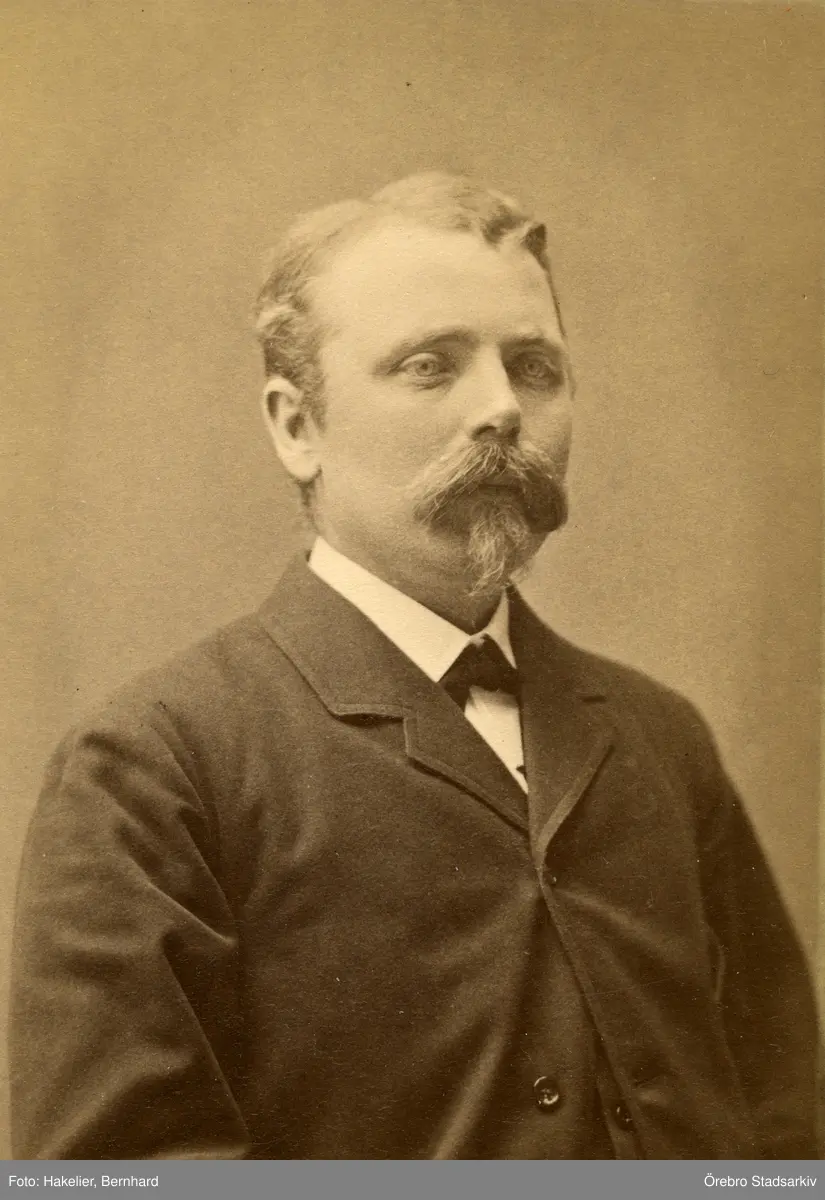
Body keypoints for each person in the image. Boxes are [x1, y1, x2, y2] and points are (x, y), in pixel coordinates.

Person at [10, 173, 818, 1161]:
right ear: (296, 426)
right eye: (430, 367)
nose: (502, 409)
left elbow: (789, 1130)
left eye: (534, 367)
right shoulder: (153, 766)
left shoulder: (661, 737)